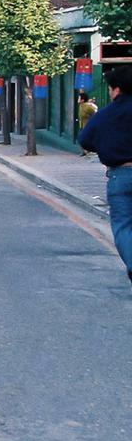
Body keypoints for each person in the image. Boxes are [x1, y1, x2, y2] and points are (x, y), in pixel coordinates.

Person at [79, 66, 132, 285]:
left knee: (123, 225)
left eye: (110, 89)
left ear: (117, 90)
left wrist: (108, 146)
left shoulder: (108, 113)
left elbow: (85, 139)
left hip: (120, 174)